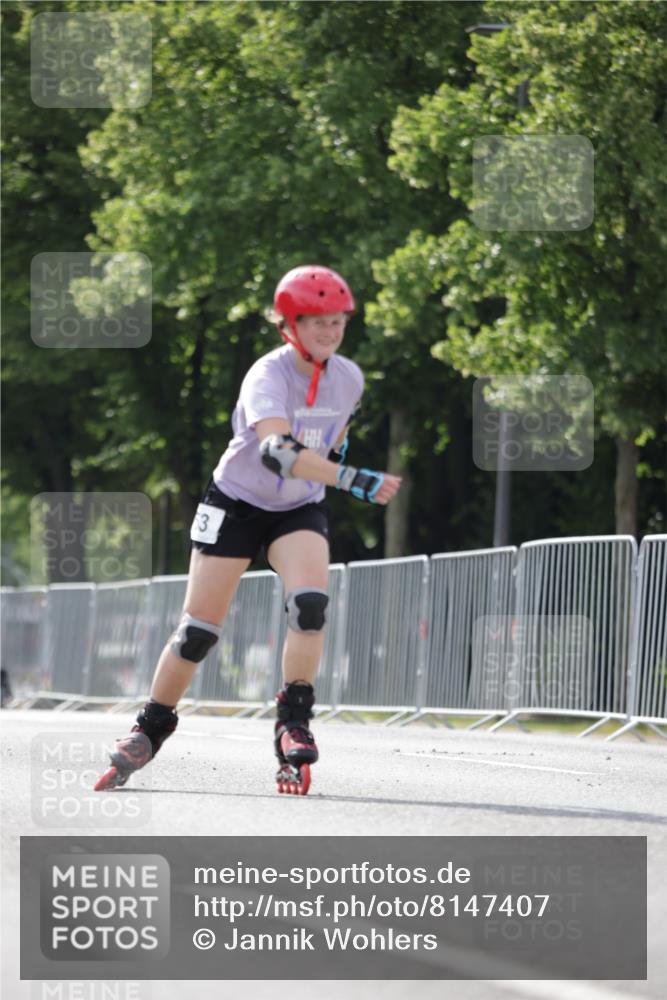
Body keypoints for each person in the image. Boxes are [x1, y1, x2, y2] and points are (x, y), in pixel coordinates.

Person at [95, 265, 402, 795]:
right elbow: (279, 453)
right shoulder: (268, 373)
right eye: (316, 323)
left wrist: (339, 455)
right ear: (290, 324)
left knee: (309, 605)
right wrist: (353, 478)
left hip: (297, 508)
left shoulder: (349, 376)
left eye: (338, 322)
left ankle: (293, 720)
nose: (329, 333)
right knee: (199, 632)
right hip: (236, 502)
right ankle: (149, 728)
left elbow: (336, 432)